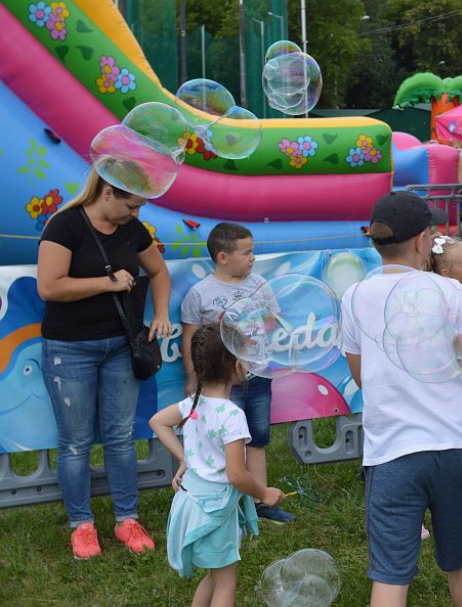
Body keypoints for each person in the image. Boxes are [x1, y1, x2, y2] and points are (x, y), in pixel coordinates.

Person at [341, 191, 462, 607]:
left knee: (390, 573)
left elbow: (361, 377)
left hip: (392, 451)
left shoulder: (354, 296)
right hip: (455, 445)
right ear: (424, 240)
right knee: (461, 556)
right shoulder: (451, 292)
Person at [36, 168, 173, 559]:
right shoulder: (64, 226)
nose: (135, 213)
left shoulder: (132, 229)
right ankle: (82, 525)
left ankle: (126, 519)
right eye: (131, 205)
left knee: (119, 438)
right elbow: (49, 286)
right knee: (76, 443)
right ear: (108, 192)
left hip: (120, 347)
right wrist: (107, 283)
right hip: (69, 350)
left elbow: (158, 271)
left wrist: (160, 312)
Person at [149, 324, 285, 606]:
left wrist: (184, 457)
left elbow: (158, 422)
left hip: (192, 503)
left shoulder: (192, 404)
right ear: (237, 366)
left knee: (214, 576)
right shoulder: (231, 415)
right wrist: (264, 493)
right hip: (215, 510)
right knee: (225, 584)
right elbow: (236, 475)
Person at [179, 222, 293, 524]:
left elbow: (270, 320)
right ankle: (230, 507)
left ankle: (260, 502)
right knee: (227, 442)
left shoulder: (260, 285)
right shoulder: (200, 294)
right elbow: (190, 338)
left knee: (257, 438)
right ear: (223, 257)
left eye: (253, 251)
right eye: (246, 252)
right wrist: (194, 377)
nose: (253, 258)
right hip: (220, 385)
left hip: (258, 377)